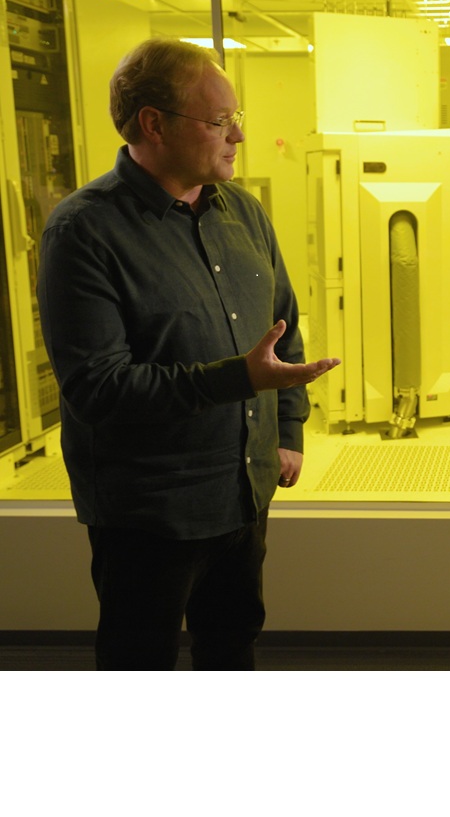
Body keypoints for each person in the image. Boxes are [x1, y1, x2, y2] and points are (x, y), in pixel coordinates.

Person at [37, 37, 340, 671]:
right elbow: (98, 387)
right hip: (150, 512)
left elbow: (282, 327)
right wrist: (238, 378)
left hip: (244, 491)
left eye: (238, 120)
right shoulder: (83, 231)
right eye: (219, 121)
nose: (237, 137)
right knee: (138, 658)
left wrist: (287, 430)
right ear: (154, 123)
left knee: (232, 644)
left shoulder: (244, 213)